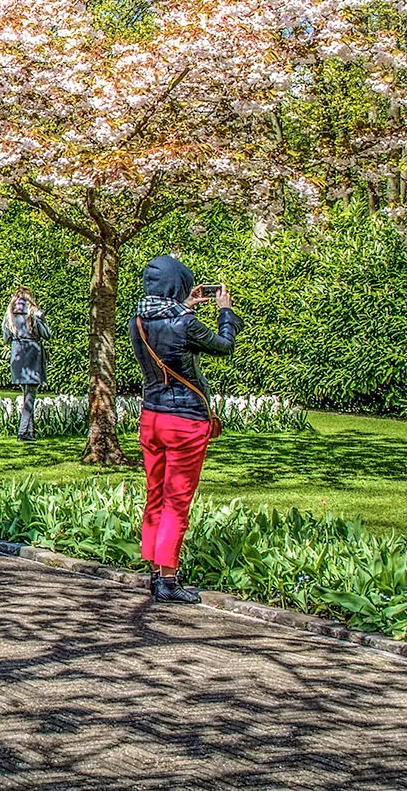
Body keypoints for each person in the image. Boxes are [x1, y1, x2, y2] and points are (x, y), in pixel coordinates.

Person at [132, 254, 241, 604]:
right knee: (177, 501)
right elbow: (224, 346)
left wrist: (185, 305)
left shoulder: (138, 320)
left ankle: (152, 570)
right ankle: (168, 578)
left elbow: (166, 328)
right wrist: (225, 312)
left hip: (151, 418)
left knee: (155, 495)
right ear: (177, 284)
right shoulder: (184, 324)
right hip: (185, 421)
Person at [3, 287, 52, 440]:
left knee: (27, 395)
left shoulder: (10, 315)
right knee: (30, 395)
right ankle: (22, 432)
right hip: (32, 354)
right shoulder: (34, 313)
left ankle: (30, 433)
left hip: (17, 354)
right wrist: (40, 319)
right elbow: (47, 334)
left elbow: (6, 338)